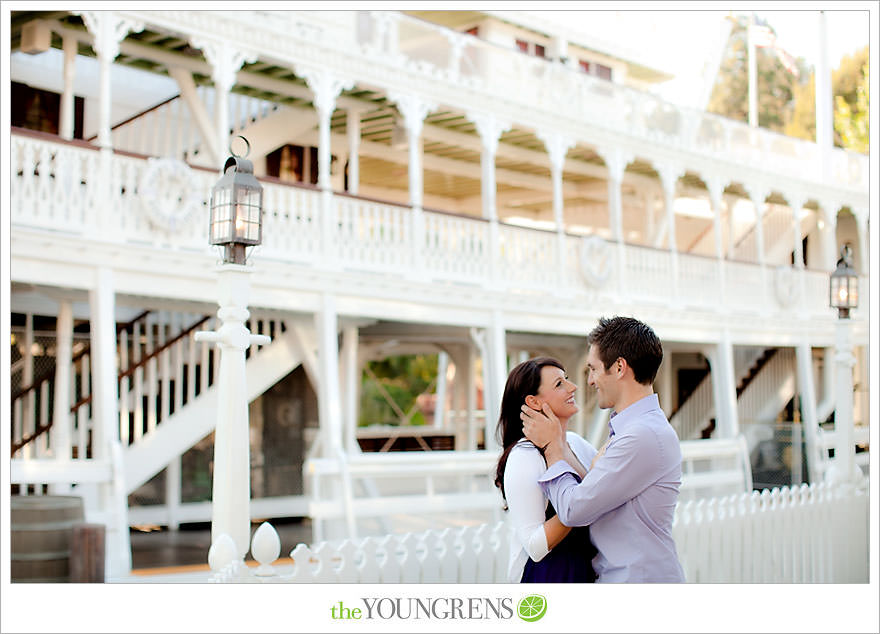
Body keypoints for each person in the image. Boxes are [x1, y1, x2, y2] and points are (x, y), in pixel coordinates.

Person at [521, 316, 686, 583]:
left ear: (619, 367)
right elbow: (594, 490)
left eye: (593, 369)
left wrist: (552, 448)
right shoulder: (632, 430)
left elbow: (575, 509)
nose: (590, 381)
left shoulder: (641, 436)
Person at [494, 357, 598, 583]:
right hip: (550, 574)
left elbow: (602, 492)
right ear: (533, 402)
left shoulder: (577, 443)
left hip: (587, 569)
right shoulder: (524, 456)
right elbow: (535, 546)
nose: (573, 387)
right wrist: (578, 506)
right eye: (560, 384)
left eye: (567, 380)